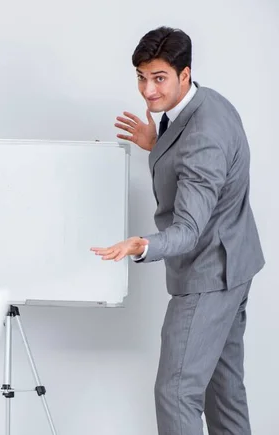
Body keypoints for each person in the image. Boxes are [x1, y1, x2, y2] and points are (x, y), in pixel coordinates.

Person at [91, 26, 265, 435]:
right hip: (234, 266)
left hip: (208, 275)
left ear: (184, 74)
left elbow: (187, 228)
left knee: (175, 392)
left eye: (159, 78)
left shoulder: (204, 135)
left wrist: (142, 245)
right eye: (141, 77)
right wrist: (160, 144)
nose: (148, 91)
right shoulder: (207, 105)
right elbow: (197, 168)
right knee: (224, 394)